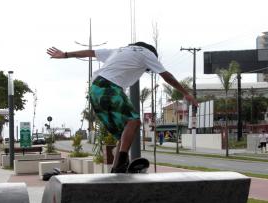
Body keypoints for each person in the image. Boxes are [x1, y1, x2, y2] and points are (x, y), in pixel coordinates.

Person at [47, 42, 199, 172]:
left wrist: (65, 54)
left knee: (124, 133)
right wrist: (186, 93)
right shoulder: (147, 53)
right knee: (133, 121)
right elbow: (166, 75)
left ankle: (116, 169)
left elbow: (91, 52)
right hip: (110, 87)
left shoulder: (119, 50)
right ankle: (121, 162)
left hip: (95, 91)